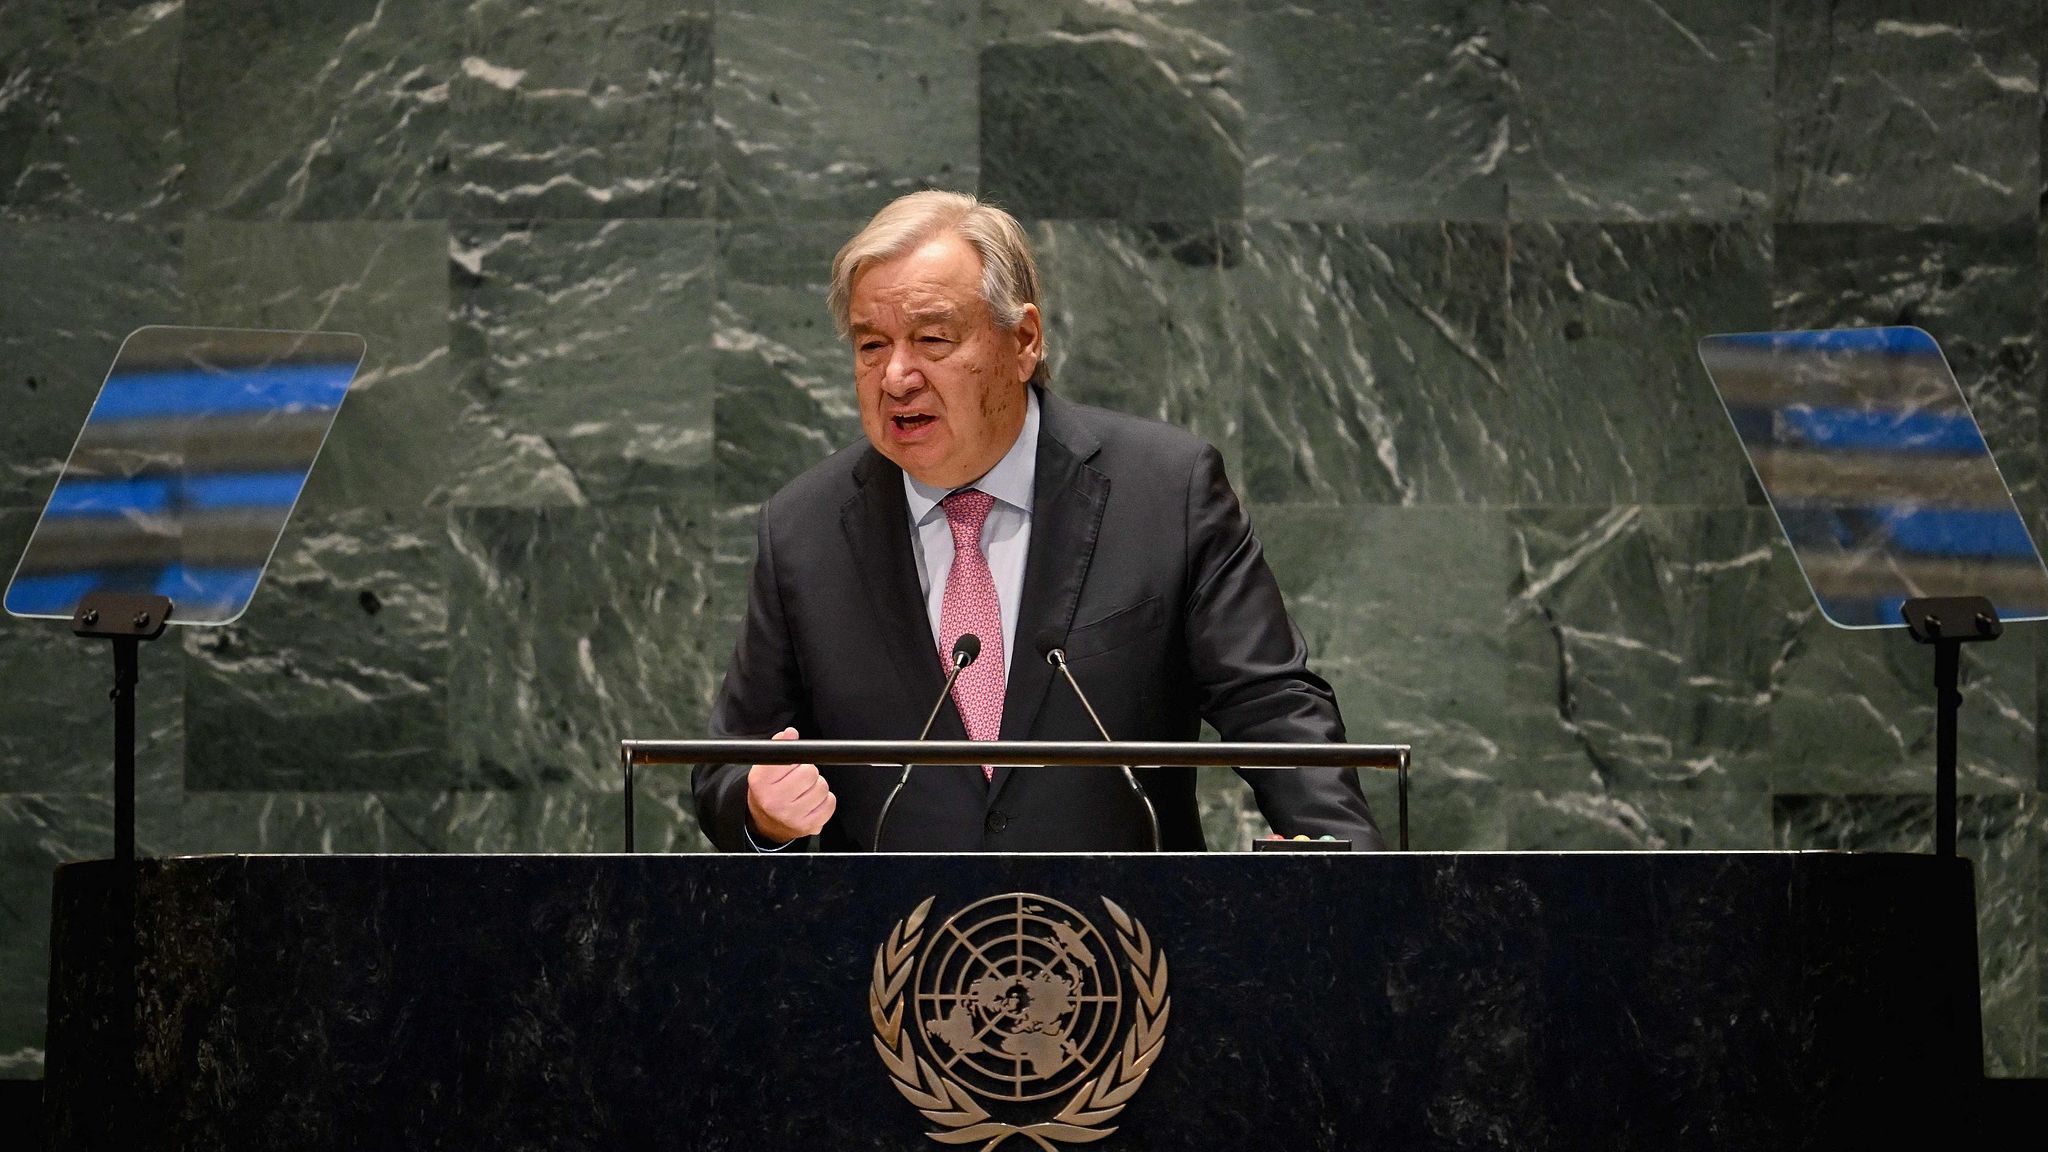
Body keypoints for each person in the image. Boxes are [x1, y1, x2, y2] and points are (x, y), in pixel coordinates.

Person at [693, 191, 1384, 852]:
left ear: (1023, 341)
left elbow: (1272, 708)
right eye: (872, 346)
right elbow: (725, 767)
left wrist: (1348, 877)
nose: (896, 376)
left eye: (932, 339)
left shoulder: (1164, 493)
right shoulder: (804, 531)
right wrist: (759, 807)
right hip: (892, 959)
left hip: (1124, 952)